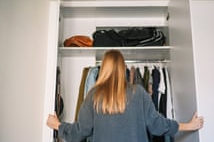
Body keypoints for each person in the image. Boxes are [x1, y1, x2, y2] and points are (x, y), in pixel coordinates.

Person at [47, 49, 204, 142]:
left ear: (104, 69)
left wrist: (57, 125)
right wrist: (188, 125)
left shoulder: (93, 95)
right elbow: (158, 125)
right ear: (123, 69)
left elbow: (80, 131)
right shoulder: (139, 92)